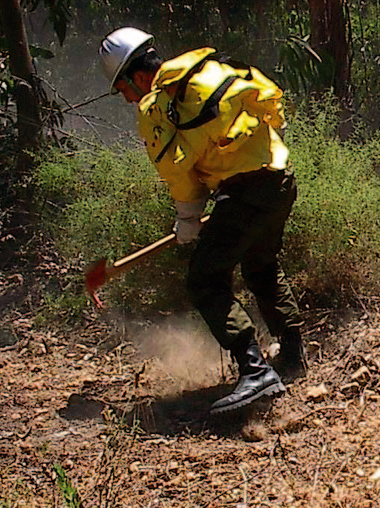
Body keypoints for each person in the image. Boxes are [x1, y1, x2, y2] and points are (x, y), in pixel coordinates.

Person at [98, 27, 307, 414]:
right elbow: (272, 113)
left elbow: (176, 171)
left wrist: (187, 216)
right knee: (261, 266)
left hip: (246, 191)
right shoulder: (213, 68)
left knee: (205, 279)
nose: (126, 97)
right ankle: (294, 355)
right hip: (281, 178)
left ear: (139, 77)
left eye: (122, 88)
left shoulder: (157, 106)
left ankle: (256, 370)